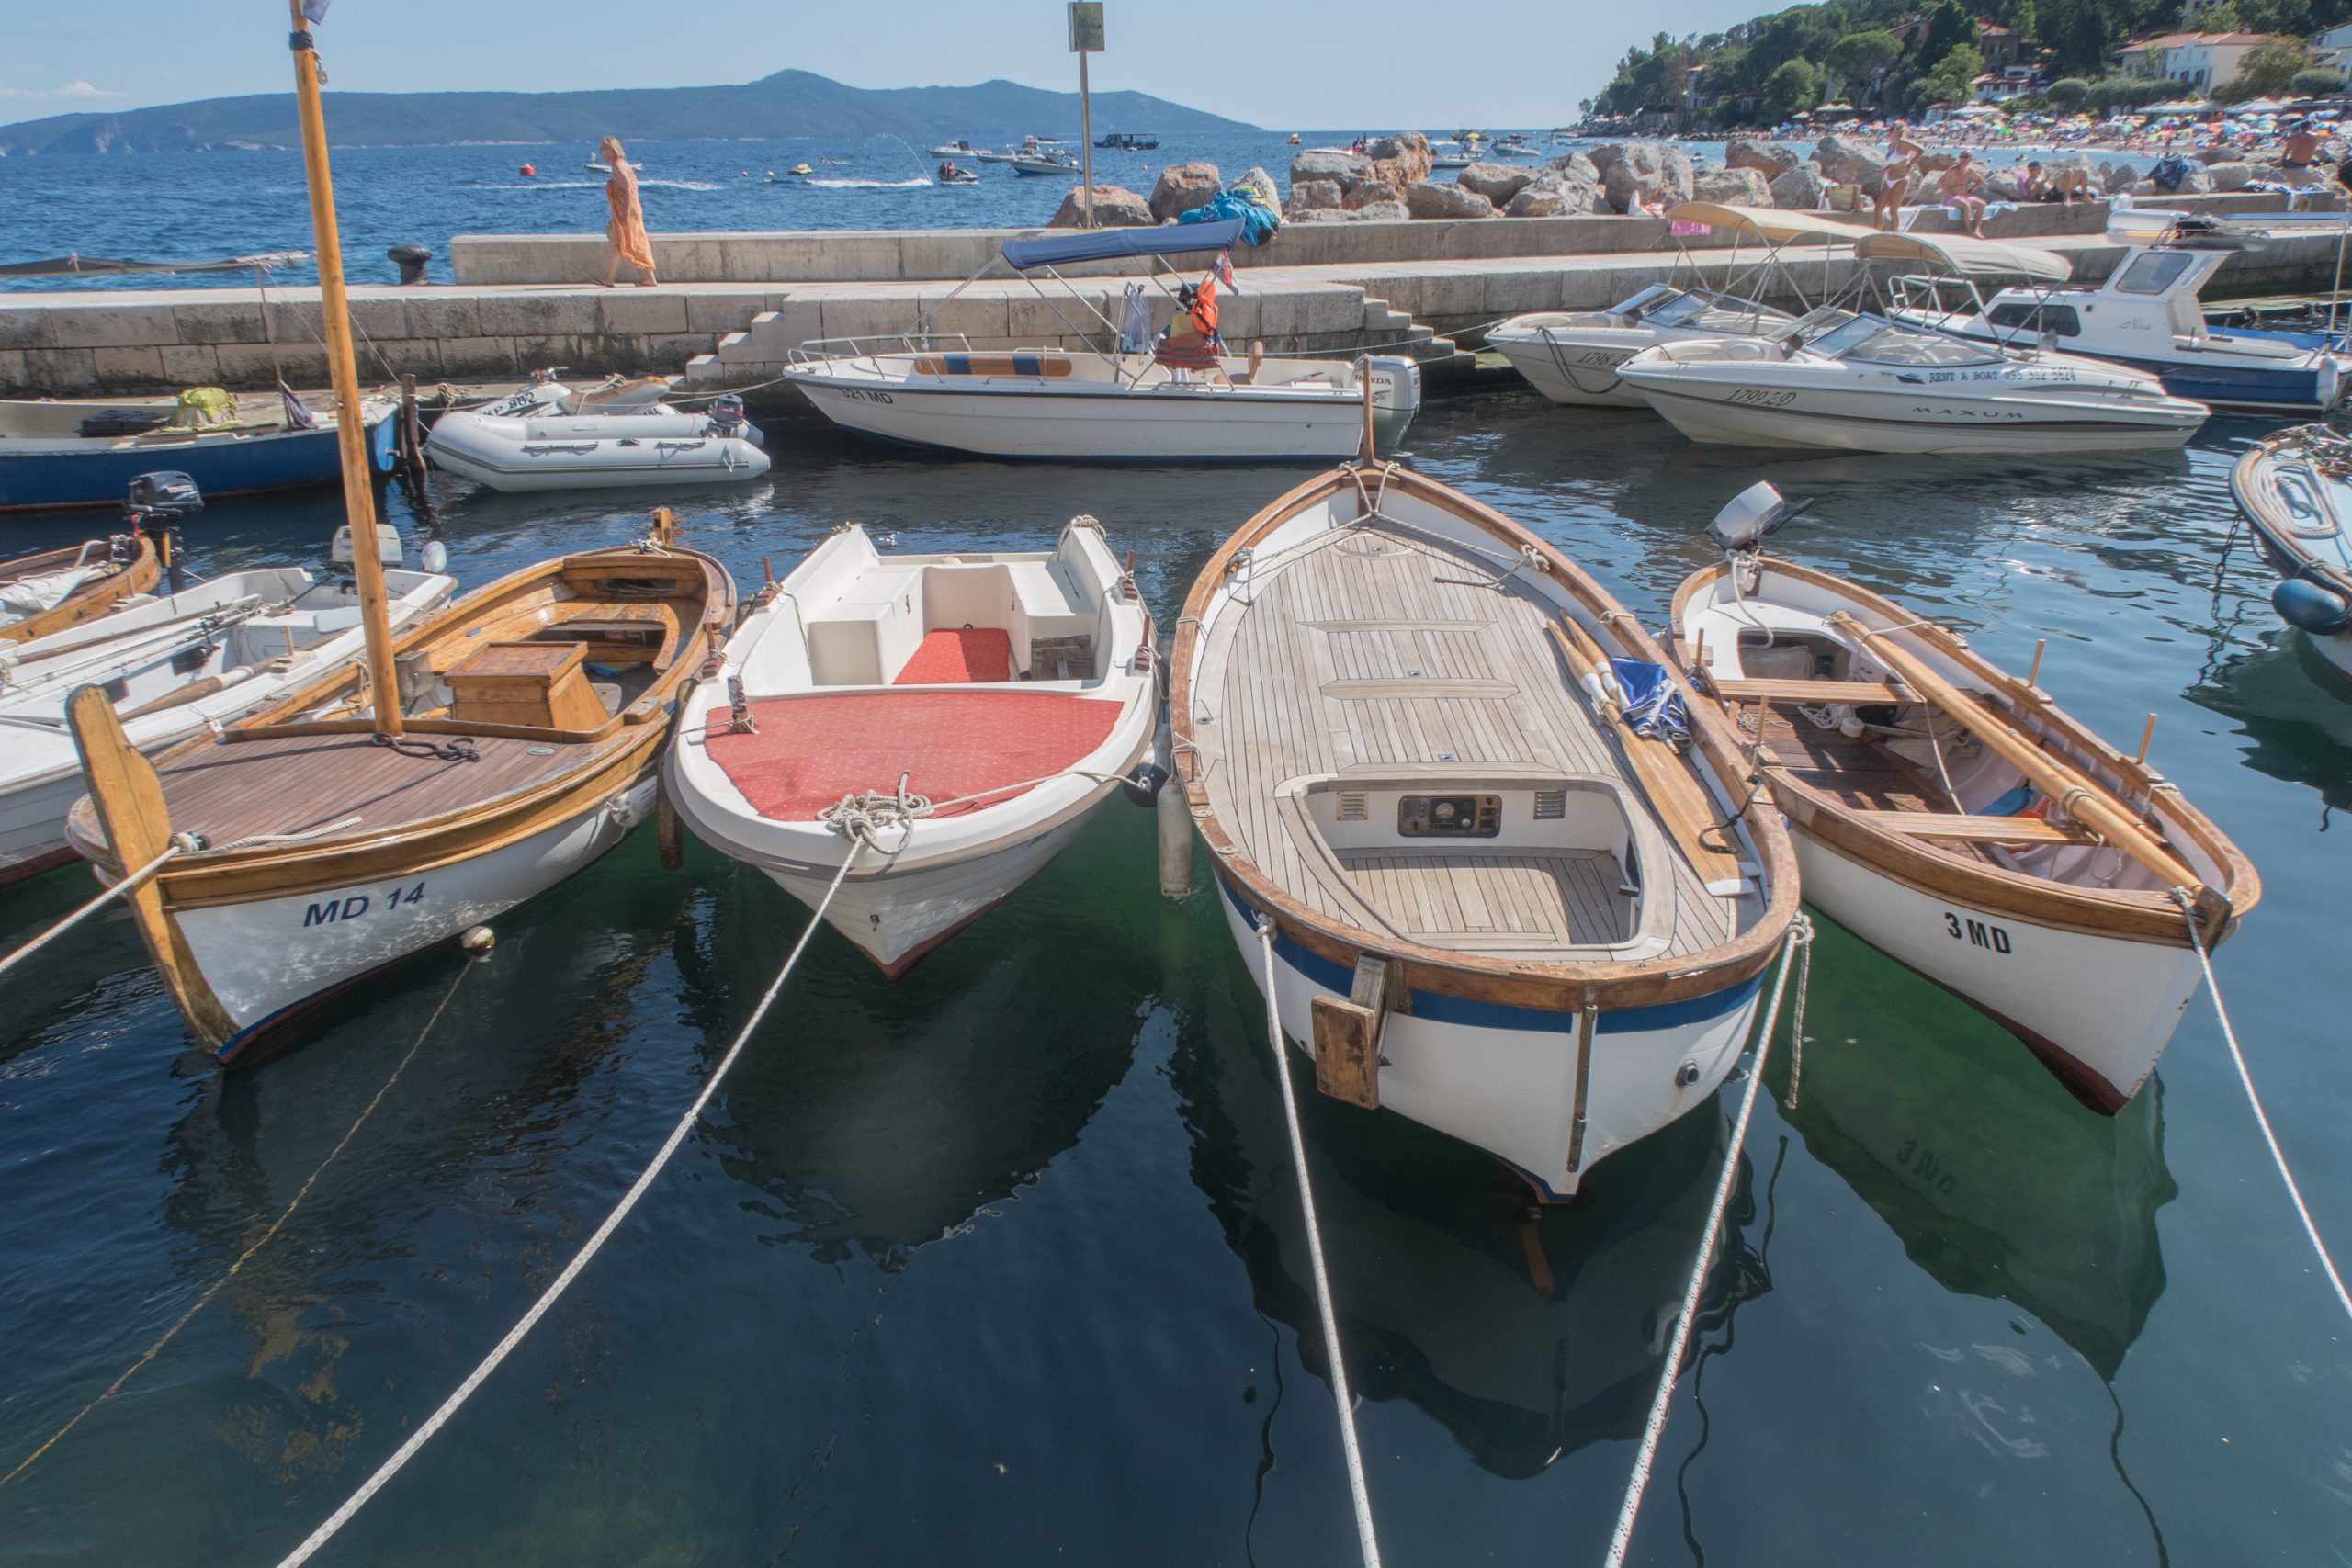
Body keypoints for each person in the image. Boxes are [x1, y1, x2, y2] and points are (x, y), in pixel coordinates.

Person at [599, 137, 658, 288]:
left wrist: (624, 214)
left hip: (626, 211)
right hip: (628, 209)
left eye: (603, 151)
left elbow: (628, 189)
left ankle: (610, 278)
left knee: (630, 240)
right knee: (620, 241)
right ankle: (610, 277)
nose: (601, 155)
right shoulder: (622, 165)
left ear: (612, 150)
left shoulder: (618, 166)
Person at [1878, 121, 1926, 231]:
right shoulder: (1890, 146)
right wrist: (1884, 170)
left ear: (1897, 131)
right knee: (1878, 209)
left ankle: (1894, 236)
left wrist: (1910, 164)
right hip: (1889, 179)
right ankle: (1876, 236)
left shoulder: (1903, 143)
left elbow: (1921, 151)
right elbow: (1894, 163)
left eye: (1890, 130)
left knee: (1893, 211)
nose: (1888, 132)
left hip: (1900, 180)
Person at [1939, 150, 1989, 238]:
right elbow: (1940, 182)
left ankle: (1976, 229)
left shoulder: (1970, 171)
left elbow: (1980, 180)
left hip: (1964, 196)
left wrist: (1971, 190)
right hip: (1950, 197)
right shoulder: (1953, 170)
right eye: (1961, 157)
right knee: (1966, 205)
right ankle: (1968, 231)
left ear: (1970, 159)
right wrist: (1950, 194)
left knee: (1982, 205)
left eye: (1966, 157)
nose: (1963, 159)